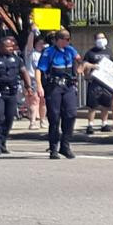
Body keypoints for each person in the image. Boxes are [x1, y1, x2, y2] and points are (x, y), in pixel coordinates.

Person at [37, 29, 81, 160]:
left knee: (71, 114)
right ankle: (53, 147)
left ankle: (65, 145)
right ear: (57, 40)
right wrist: (39, 86)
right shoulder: (48, 52)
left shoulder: (70, 50)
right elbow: (39, 70)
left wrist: (82, 67)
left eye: (69, 39)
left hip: (68, 86)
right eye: (65, 39)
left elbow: (80, 60)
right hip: (54, 86)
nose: (67, 42)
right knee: (55, 117)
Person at [81, 31, 113, 135]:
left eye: (103, 37)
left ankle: (104, 124)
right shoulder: (90, 52)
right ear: (95, 40)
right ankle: (90, 125)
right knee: (92, 105)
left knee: (105, 104)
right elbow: (84, 64)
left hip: (106, 82)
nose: (101, 40)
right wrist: (92, 67)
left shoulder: (109, 52)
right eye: (99, 38)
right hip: (94, 81)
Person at [24, 29, 47, 130]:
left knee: (43, 101)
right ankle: (32, 122)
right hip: (33, 79)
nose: (42, 45)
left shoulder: (46, 54)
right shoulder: (31, 53)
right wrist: (32, 32)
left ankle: (43, 120)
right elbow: (29, 43)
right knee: (34, 101)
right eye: (40, 43)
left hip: (43, 79)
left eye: (43, 44)